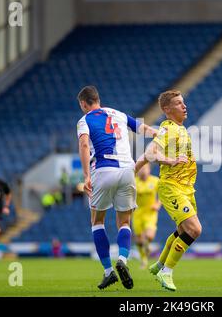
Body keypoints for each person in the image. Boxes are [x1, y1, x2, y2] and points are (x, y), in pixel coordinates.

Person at [76, 85, 157, 290]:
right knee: (124, 221)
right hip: (127, 171)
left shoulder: (84, 120)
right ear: (98, 99)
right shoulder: (117, 113)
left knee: (97, 221)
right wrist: (155, 133)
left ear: (84, 104)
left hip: (103, 171)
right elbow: (140, 128)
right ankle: (123, 259)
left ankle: (108, 271)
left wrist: (86, 176)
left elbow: (85, 145)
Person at [135, 90, 202, 291]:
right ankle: (167, 271)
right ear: (166, 110)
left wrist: (134, 169)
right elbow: (150, 152)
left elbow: (144, 159)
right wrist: (169, 160)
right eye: (179, 103)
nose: (184, 106)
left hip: (187, 189)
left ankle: (160, 264)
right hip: (172, 187)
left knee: (182, 231)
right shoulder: (167, 128)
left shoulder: (181, 129)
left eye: (184, 102)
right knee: (194, 230)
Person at [132, 163, 161, 269]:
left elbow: (162, 194)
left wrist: (158, 204)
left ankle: (147, 245)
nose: (143, 171)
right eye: (141, 168)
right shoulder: (133, 181)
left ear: (149, 169)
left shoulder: (155, 181)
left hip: (150, 212)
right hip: (137, 213)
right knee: (139, 241)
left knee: (149, 235)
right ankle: (143, 259)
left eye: (145, 168)